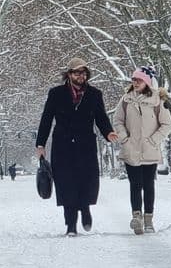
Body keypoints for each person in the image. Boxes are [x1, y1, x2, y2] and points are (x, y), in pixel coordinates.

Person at [36, 57, 117, 237]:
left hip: (85, 144)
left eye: (84, 72)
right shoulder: (56, 93)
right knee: (66, 184)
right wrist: (40, 144)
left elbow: (101, 117)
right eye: (77, 72)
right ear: (69, 74)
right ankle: (71, 225)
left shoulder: (95, 94)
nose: (81, 76)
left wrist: (108, 132)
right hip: (62, 145)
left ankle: (85, 209)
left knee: (85, 181)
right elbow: (46, 119)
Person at [112, 67, 171, 235]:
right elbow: (117, 120)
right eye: (133, 79)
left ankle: (148, 219)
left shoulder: (158, 101)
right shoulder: (126, 100)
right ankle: (136, 217)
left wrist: (153, 140)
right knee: (135, 184)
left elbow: (167, 124)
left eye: (138, 80)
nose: (135, 82)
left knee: (148, 185)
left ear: (146, 82)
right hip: (131, 149)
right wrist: (124, 138)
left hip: (149, 150)